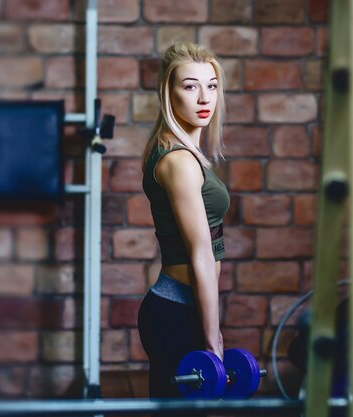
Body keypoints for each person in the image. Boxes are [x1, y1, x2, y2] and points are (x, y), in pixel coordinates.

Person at [137, 42, 230, 402]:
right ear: (169, 92)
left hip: (184, 309)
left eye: (212, 85)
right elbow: (201, 255)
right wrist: (213, 339)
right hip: (175, 313)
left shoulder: (181, 151)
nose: (204, 97)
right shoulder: (179, 162)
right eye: (190, 86)